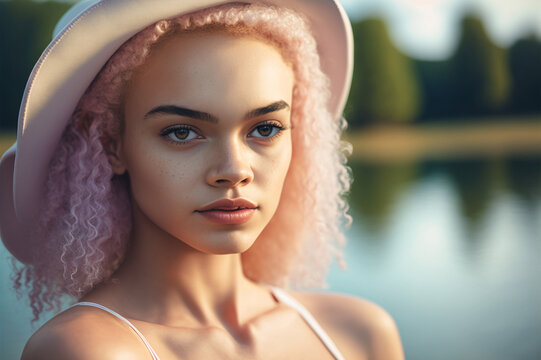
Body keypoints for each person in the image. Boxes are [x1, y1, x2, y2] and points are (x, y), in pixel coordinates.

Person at [0, 0, 404, 358]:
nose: (234, 170)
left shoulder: (361, 335)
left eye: (265, 129)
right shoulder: (87, 351)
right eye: (182, 132)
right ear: (112, 145)